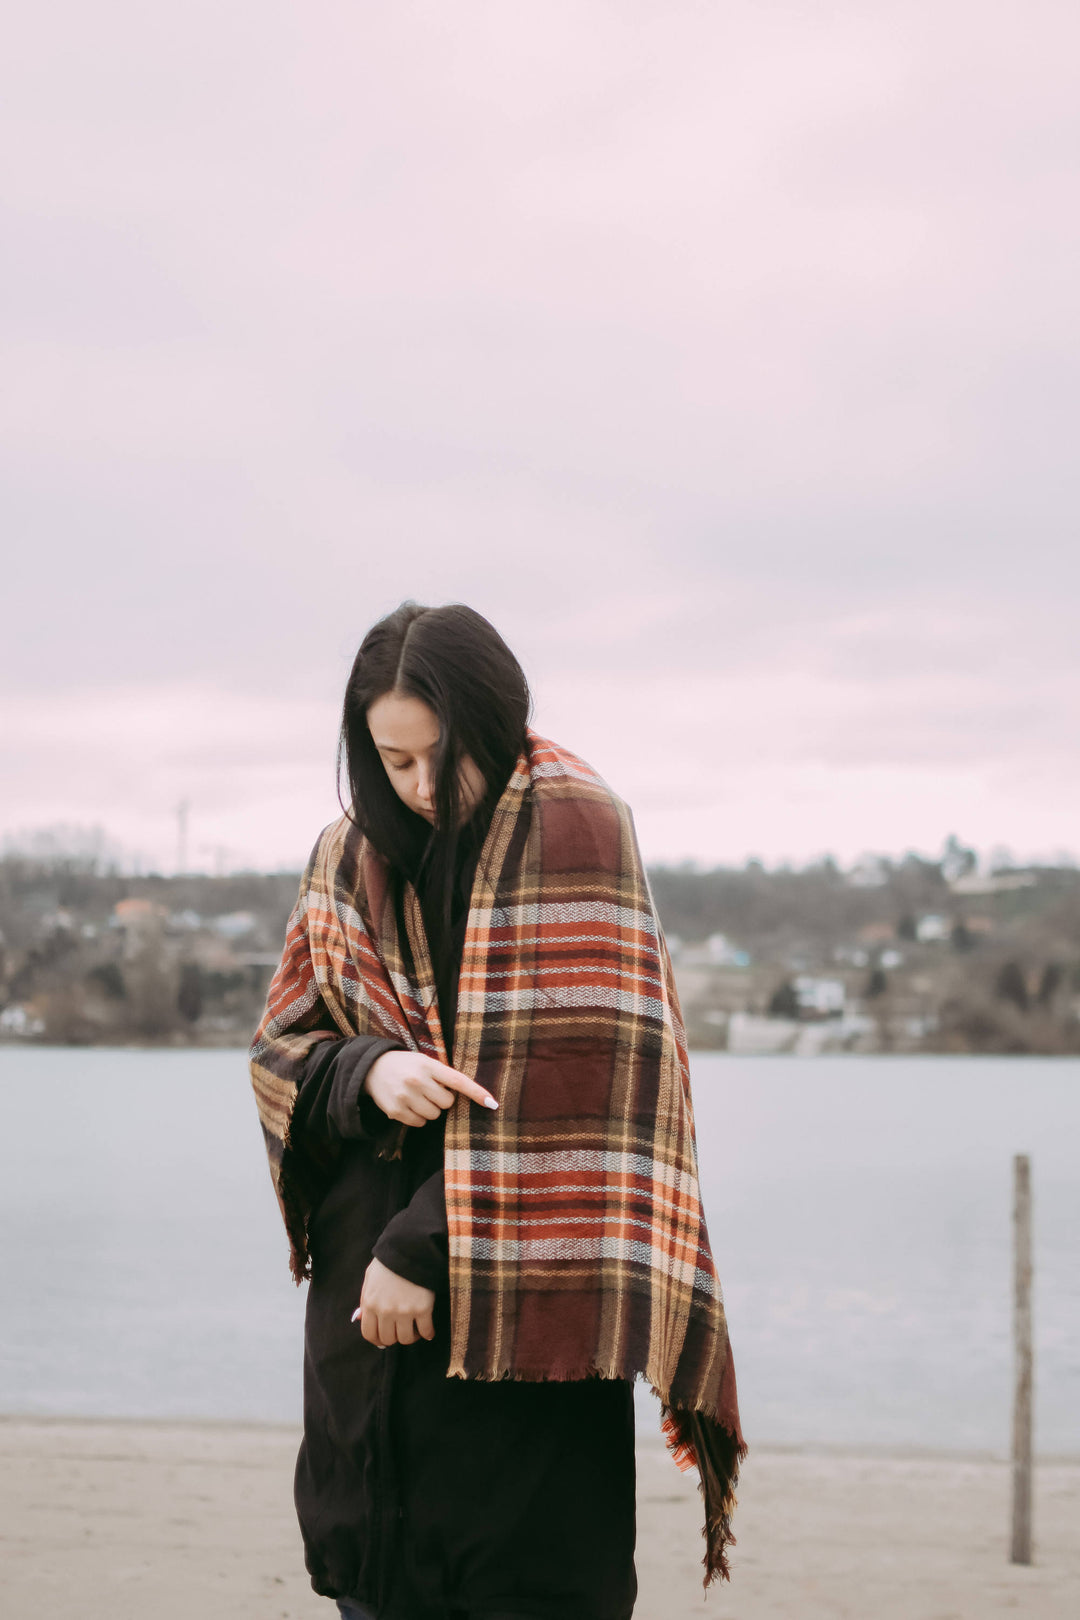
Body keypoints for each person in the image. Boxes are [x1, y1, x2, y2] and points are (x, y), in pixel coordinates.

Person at [250, 602, 744, 1620]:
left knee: (527, 1580)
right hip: (362, 1330)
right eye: (394, 763)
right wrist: (367, 1070)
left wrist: (423, 1246)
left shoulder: (582, 829)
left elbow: (592, 1094)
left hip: (525, 1317)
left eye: (447, 758)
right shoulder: (343, 858)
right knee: (375, 1583)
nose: (426, 790)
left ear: (498, 724)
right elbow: (281, 1049)